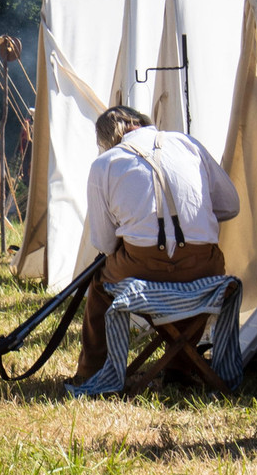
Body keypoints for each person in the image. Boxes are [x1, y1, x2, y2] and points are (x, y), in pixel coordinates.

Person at [73, 105, 240, 383]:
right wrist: (193, 226)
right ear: (141, 123)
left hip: (141, 268)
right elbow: (230, 206)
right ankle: (180, 368)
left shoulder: (106, 163)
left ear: (108, 138)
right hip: (204, 269)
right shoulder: (187, 143)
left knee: (101, 285)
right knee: (189, 277)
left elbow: (105, 243)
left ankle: (92, 374)